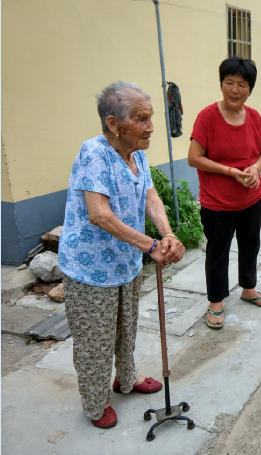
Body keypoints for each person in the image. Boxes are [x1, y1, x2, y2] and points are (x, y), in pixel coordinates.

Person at [58, 81, 186, 428]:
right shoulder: (94, 153)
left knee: (126, 330)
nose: (150, 127)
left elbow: (150, 198)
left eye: (151, 118)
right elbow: (99, 214)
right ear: (114, 124)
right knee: (95, 342)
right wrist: (151, 246)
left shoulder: (137, 153)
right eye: (141, 119)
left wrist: (167, 234)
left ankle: (125, 379)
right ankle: (96, 403)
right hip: (90, 269)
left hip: (125, 262)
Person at [188, 57, 261, 331]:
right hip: (218, 203)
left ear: (250, 89)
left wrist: (255, 168)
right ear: (221, 84)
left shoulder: (254, 117)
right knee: (218, 252)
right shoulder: (207, 117)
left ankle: (249, 289)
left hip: (252, 199)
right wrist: (230, 171)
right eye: (229, 83)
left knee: (250, 245)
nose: (235, 90)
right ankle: (215, 302)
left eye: (242, 84)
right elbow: (194, 158)